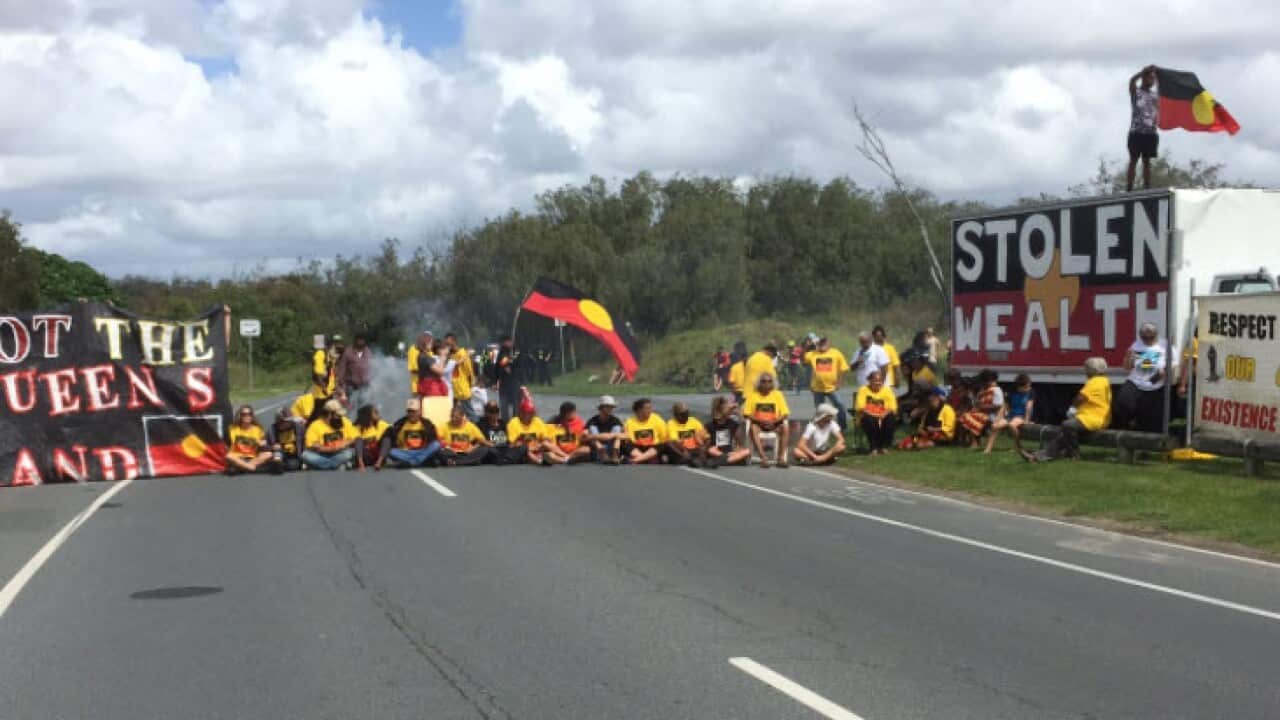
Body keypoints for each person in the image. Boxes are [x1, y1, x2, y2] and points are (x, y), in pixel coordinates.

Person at [1026, 358, 1112, 462]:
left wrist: (1072, 409)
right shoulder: (1103, 380)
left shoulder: (1095, 382)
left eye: (1086, 368)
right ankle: (1041, 455)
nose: (1085, 371)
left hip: (1093, 418)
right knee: (1065, 434)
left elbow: (1080, 397)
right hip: (1096, 417)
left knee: (1068, 425)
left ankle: (1073, 454)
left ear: (1091, 370)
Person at [1113, 322, 1173, 433]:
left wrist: (1162, 372)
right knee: (1123, 403)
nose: (1148, 340)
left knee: (1150, 420)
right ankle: (1126, 426)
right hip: (1135, 381)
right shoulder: (1136, 345)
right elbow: (1127, 367)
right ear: (1140, 336)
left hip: (1155, 384)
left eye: (1151, 337)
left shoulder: (1165, 346)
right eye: (1145, 337)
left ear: (1156, 335)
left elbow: (1173, 366)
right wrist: (1127, 358)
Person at [744, 374, 791, 468]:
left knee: (785, 428)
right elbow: (746, 414)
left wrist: (774, 422)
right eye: (764, 381)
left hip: (775, 424)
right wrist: (760, 420)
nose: (767, 384)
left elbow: (785, 413)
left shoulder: (778, 395)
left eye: (769, 381)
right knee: (753, 428)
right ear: (759, 383)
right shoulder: (753, 395)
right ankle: (763, 458)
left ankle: (781, 459)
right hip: (759, 424)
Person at [806, 336, 850, 429]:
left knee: (840, 405)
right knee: (820, 409)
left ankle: (842, 427)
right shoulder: (813, 354)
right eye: (821, 344)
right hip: (817, 387)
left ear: (829, 344)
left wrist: (839, 382)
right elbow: (802, 358)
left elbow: (844, 368)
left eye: (824, 343)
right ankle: (821, 428)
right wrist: (809, 347)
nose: (823, 346)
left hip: (832, 387)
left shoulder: (836, 353)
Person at [1127, 65, 1159, 192]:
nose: (1151, 81)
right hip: (1136, 132)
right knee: (1133, 160)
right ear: (1144, 78)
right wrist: (1142, 72)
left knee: (1147, 162)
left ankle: (1147, 188)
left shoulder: (1155, 96)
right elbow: (1131, 81)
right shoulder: (1136, 92)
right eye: (1149, 78)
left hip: (1150, 133)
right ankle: (1129, 188)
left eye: (1153, 79)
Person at [986, 373, 1035, 453]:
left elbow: (1029, 408)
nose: (1029, 388)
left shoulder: (1031, 392)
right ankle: (988, 449)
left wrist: (1027, 421)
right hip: (1011, 415)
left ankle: (1017, 447)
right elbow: (1004, 407)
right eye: (1026, 387)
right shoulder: (1012, 391)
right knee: (995, 426)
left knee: (1011, 425)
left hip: (1021, 416)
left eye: (1029, 385)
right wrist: (998, 419)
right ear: (1019, 387)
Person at [302, 399, 358, 470]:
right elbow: (312, 445)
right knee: (306, 455)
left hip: (339, 453)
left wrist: (344, 444)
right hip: (321, 454)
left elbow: (353, 437)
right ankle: (336, 465)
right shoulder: (315, 425)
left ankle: (319, 466)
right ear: (329, 414)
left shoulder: (344, 421)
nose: (339, 417)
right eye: (337, 415)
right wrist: (328, 449)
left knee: (349, 453)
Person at [386, 398, 442, 468]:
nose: (411, 414)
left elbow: (433, 439)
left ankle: (412, 462)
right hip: (406, 452)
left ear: (419, 412)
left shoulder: (427, 423)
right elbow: (391, 438)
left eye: (414, 411)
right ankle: (421, 461)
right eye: (409, 411)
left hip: (422, 450)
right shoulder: (400, 424)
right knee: (391, 451)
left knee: (436, 445)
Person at [226, 404, 278, 474]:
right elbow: (227, 444)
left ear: (252, 416)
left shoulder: (258, 429)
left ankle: (243, 468)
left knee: (268, 454)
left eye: (249, 414)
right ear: (240, 416)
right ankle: (250, 467)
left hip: (253, 457)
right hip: (238, 457)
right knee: (229, 456)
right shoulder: (232, 429)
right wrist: (254, 442)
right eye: (244, 414)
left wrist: (263, 443)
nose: (247, 416)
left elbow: (263, 443)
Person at [855, 370, 897, 455]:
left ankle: (884, 447)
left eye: (880, 380)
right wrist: (875, 415)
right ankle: (873, 447)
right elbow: (861, 408)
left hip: (883, 415)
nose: (878, 383)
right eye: (875, 380)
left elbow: (892, 407)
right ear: (870, 381)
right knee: (869, 419)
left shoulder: (887, 390)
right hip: (868, 416)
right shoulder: (863, 390)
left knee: (890, 417)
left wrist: (884, 414)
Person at [959, 369, 1003, 448]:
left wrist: (982, 407)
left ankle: (974, 442)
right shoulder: (985, 390)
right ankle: (973, 440)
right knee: (966, 416)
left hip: (992, 416)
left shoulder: (996, 390)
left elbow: (998, 406)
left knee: (968, 417)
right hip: (984, 413)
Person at [705, 395, 751, 467]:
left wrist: (739, 415)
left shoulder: (733, 424)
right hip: (716, 452)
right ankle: (732, 460)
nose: (731, 411)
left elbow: (740, 441)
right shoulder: (710, 425)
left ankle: (723, 460)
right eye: (729, 409)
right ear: (720, 410)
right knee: (711, 450)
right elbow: (706, 445)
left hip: (728, 453)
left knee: (747, 451)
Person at [477, 400, 523, 465]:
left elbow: (508, 440)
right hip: (492, 448)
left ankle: (505, 459)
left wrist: (514, 444)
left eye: (497, 410)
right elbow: (479, 439)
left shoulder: (502, 423)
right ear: (486, 412)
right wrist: (486, 443)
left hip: (504, 448)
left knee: (522, 447)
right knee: (486, 450)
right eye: (492, 411)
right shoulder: (481, 424)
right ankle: (508, 459)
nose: (495, 413)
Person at [624, 398, 668, 464]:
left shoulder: (657, 419)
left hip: (653, 448)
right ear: (639, 410)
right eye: (647, 408)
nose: (650, 410)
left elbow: (664, 437)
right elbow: (628, 440)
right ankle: (645, 458)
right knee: (626, 444)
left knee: (663, 444)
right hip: (638, 448)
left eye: (650, 408)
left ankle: (638, 459)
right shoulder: (630, 422)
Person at [506, 397, 550, 465]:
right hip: (523, 450)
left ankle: (565, 458)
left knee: (548, 444)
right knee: (525, 450)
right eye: (528, 413)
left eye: (532, 412)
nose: (531, 415)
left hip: (537, 447)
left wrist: (539, 445)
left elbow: (546, 438)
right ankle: (539, 461)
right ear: (521, 412)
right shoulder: (513, 423)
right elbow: (513, 444)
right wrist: (528, 446)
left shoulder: (537, 421)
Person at [337, 334, 374, 412]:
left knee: (362, 403)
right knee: (349, 404)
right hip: (350, 383)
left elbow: (372, 366)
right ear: (355, 341)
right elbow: (342, 367)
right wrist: (340, 381)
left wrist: (371, 379)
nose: (361, 342)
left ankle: (359, 419)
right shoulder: (348, 352)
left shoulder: (368, 352)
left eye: (362, 340)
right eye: (359, 340)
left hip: (364, 384)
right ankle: (349, 419)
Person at [445, 333, 477, 420]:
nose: (447, 346)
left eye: (448, 343)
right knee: (453, 413)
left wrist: (471, 385)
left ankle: (477, 429)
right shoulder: (450, 355)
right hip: (453, 390)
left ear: (454, 342)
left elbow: (469, 372)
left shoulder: (462, 353)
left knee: (470, 413)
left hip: (462, 389)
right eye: (446, 344)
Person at [665, 402, 708, 467]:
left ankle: (696, 460)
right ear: (676, 415)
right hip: (681, 449)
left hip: (695, 449)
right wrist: (683, 450)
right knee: (669, 443)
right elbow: (675, 441)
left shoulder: (694, 421)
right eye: (683, 414)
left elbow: (706, 436)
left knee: (705, 448)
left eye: (687, 413)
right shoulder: (671, 424)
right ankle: (691, 460)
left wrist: (703, 447)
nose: (686, 416)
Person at [586, 395, 625, 465]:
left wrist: (611, 435)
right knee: (592, 429)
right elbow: (584, 436)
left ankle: (615, 454)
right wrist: (605, 436)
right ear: (601, 407)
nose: (610, 409)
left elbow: (626, 435)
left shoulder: (615, 420)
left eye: (611, 407)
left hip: (611, 444)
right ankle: (602, 453)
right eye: (608, 407)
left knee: (617, 431)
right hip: (598, 448)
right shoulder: (593, 421)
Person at [353, 404, 391, 471]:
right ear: (368, 415)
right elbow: (352, 441)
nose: (378, 413)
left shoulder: (381, 424)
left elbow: (392, 428)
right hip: (365, 455)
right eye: (375, 412)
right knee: (358, 440)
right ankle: (360, 463)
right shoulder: (358, 427)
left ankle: (379, 462)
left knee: (387, 439)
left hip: (377, 454)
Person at [494, 336, 521, 419]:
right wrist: (495, 381)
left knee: (516, 404)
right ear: (505, 342)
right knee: (504, 405)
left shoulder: (515, 350)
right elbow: (501, 364)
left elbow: (518, 361)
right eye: (509, 342)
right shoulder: (502, 352)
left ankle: (515, 420)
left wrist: (511, 360)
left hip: (514, 382)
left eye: (511, 341)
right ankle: (505, 422)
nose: (511, 343)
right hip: (504, 383)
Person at [311, 334, 344, 400]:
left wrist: (337, 388)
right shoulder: (320, 354)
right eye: (332, 346)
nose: (334, 348)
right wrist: (324, 389)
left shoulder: (328, 356)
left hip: (328, 392)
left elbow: (332, 374)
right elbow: (318, 375)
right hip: (321, 395)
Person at [872, 326, 901, 392]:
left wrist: (897, 380)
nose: (879, 338)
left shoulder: (890, 348)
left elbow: (896, 366)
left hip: (889, 383)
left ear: (884, 336)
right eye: (876, 336)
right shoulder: (871, 349)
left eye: (880, 335)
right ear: (873, 337)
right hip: (874, 383)